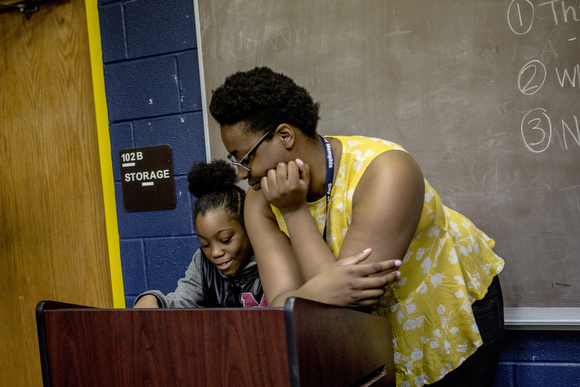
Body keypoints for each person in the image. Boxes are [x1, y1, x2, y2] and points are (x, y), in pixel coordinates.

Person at [208, 67, 505, 387]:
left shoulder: (387, 170)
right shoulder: (259, 200)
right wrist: (316, 293)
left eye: (245, 157)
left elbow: (350, 305)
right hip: (363, 331)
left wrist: (294, 211)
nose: (241, 174)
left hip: (445, 307)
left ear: (284, 136)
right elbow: (283, 309)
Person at [133, 159, 266, 309]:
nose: (215, 253)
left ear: (248, 228)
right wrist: (152, 299)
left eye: (225, 240)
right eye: (206, 244)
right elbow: (180, 302)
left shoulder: (271, 256)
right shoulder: (202, 262)